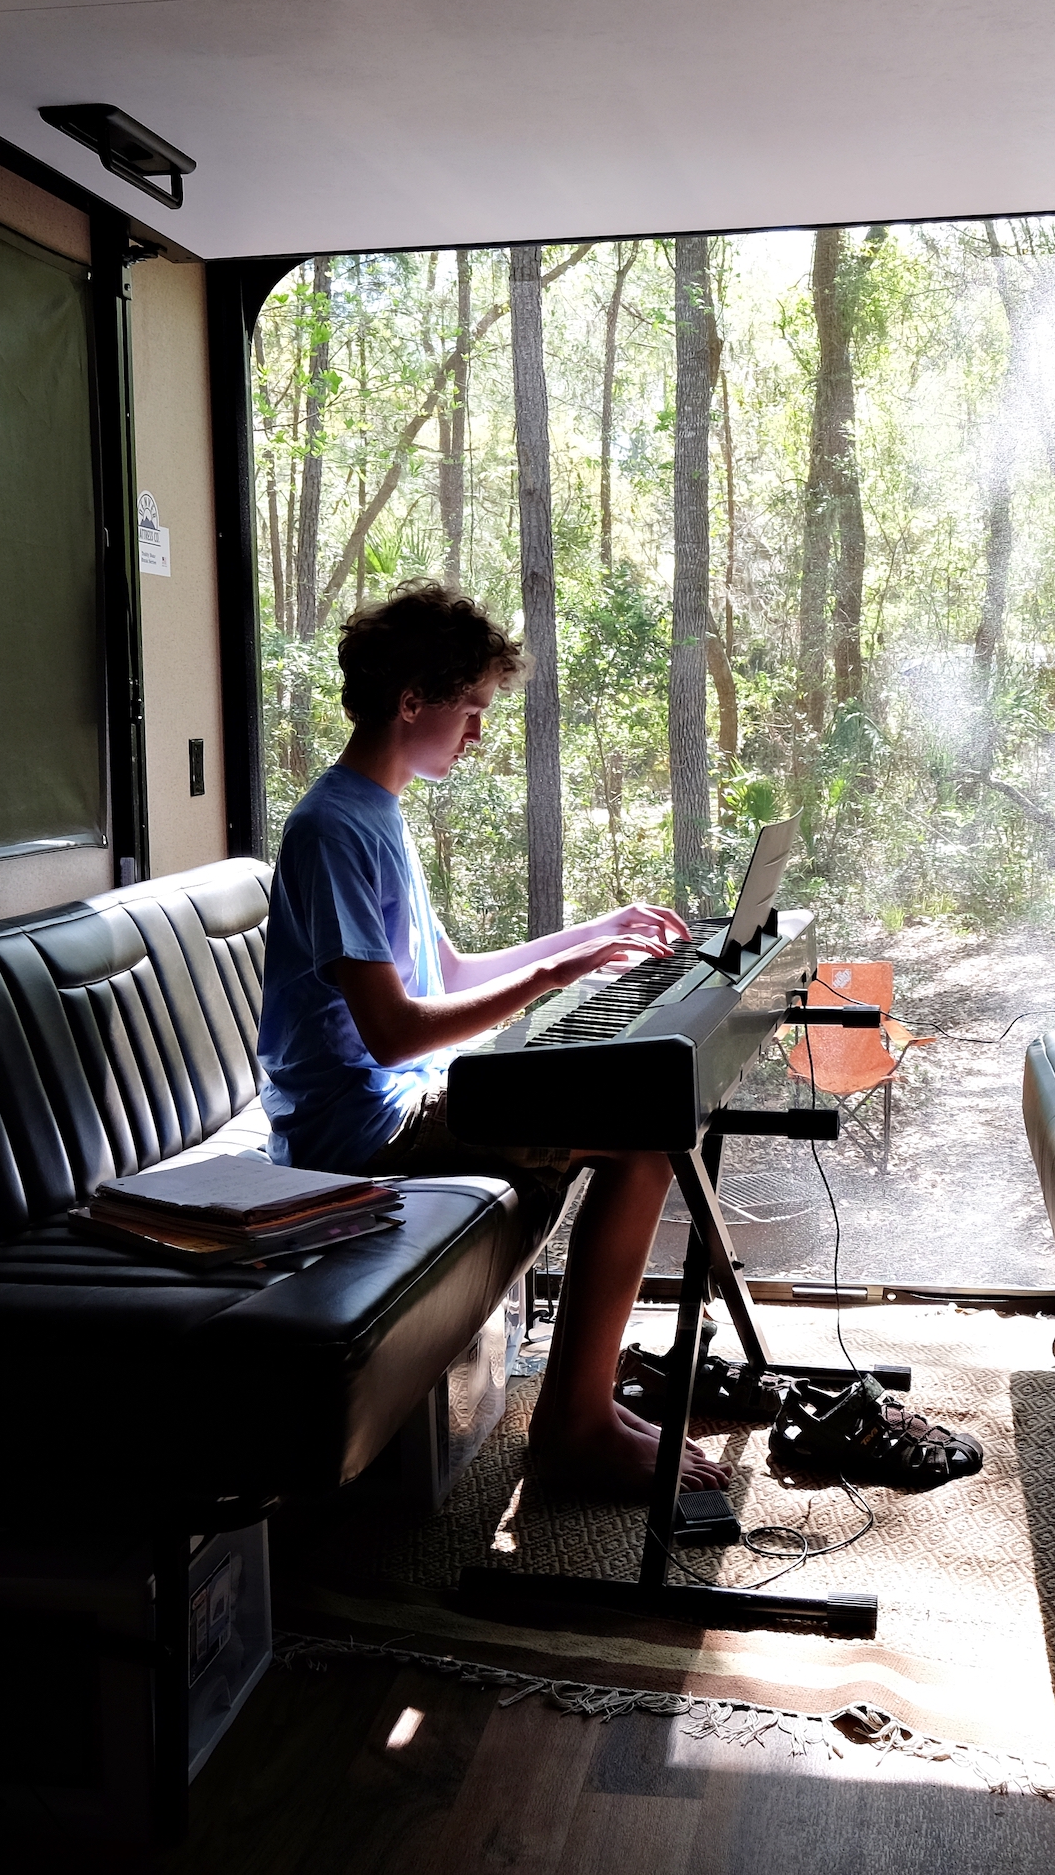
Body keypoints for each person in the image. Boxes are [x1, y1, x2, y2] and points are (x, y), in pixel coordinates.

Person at [255, 582, 724, 1498]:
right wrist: (551, 979)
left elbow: (454, 975)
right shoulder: (329, 830)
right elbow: (391, 1034)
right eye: (471, 711)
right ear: (411, 702)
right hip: (358, 1134)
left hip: (402, 1103)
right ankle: (575, 1423)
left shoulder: (376, 811)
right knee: (645, 1140)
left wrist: (592, 936)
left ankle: (582, 1402)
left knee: (647, 1119)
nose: (478, 735)